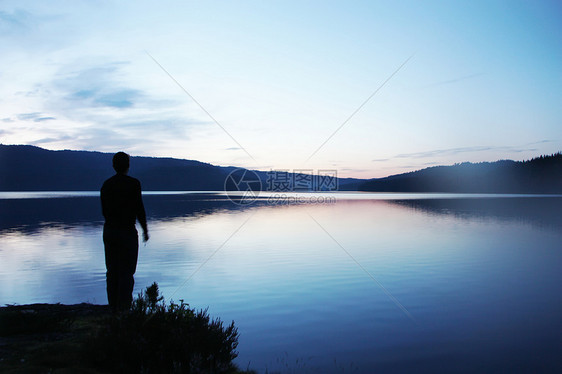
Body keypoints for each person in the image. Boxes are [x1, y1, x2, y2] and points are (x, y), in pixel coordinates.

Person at [101, 152, 149, 311]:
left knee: (112, 271)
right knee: (127, 272)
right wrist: (145, 230)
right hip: (127, 232)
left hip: (110, 231)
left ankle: (113, 307)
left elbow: (104, 212)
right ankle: (124, 310)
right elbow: (139, 209)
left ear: (113, 166)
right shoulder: (134, 184)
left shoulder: (106, 185)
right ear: (128, 165)